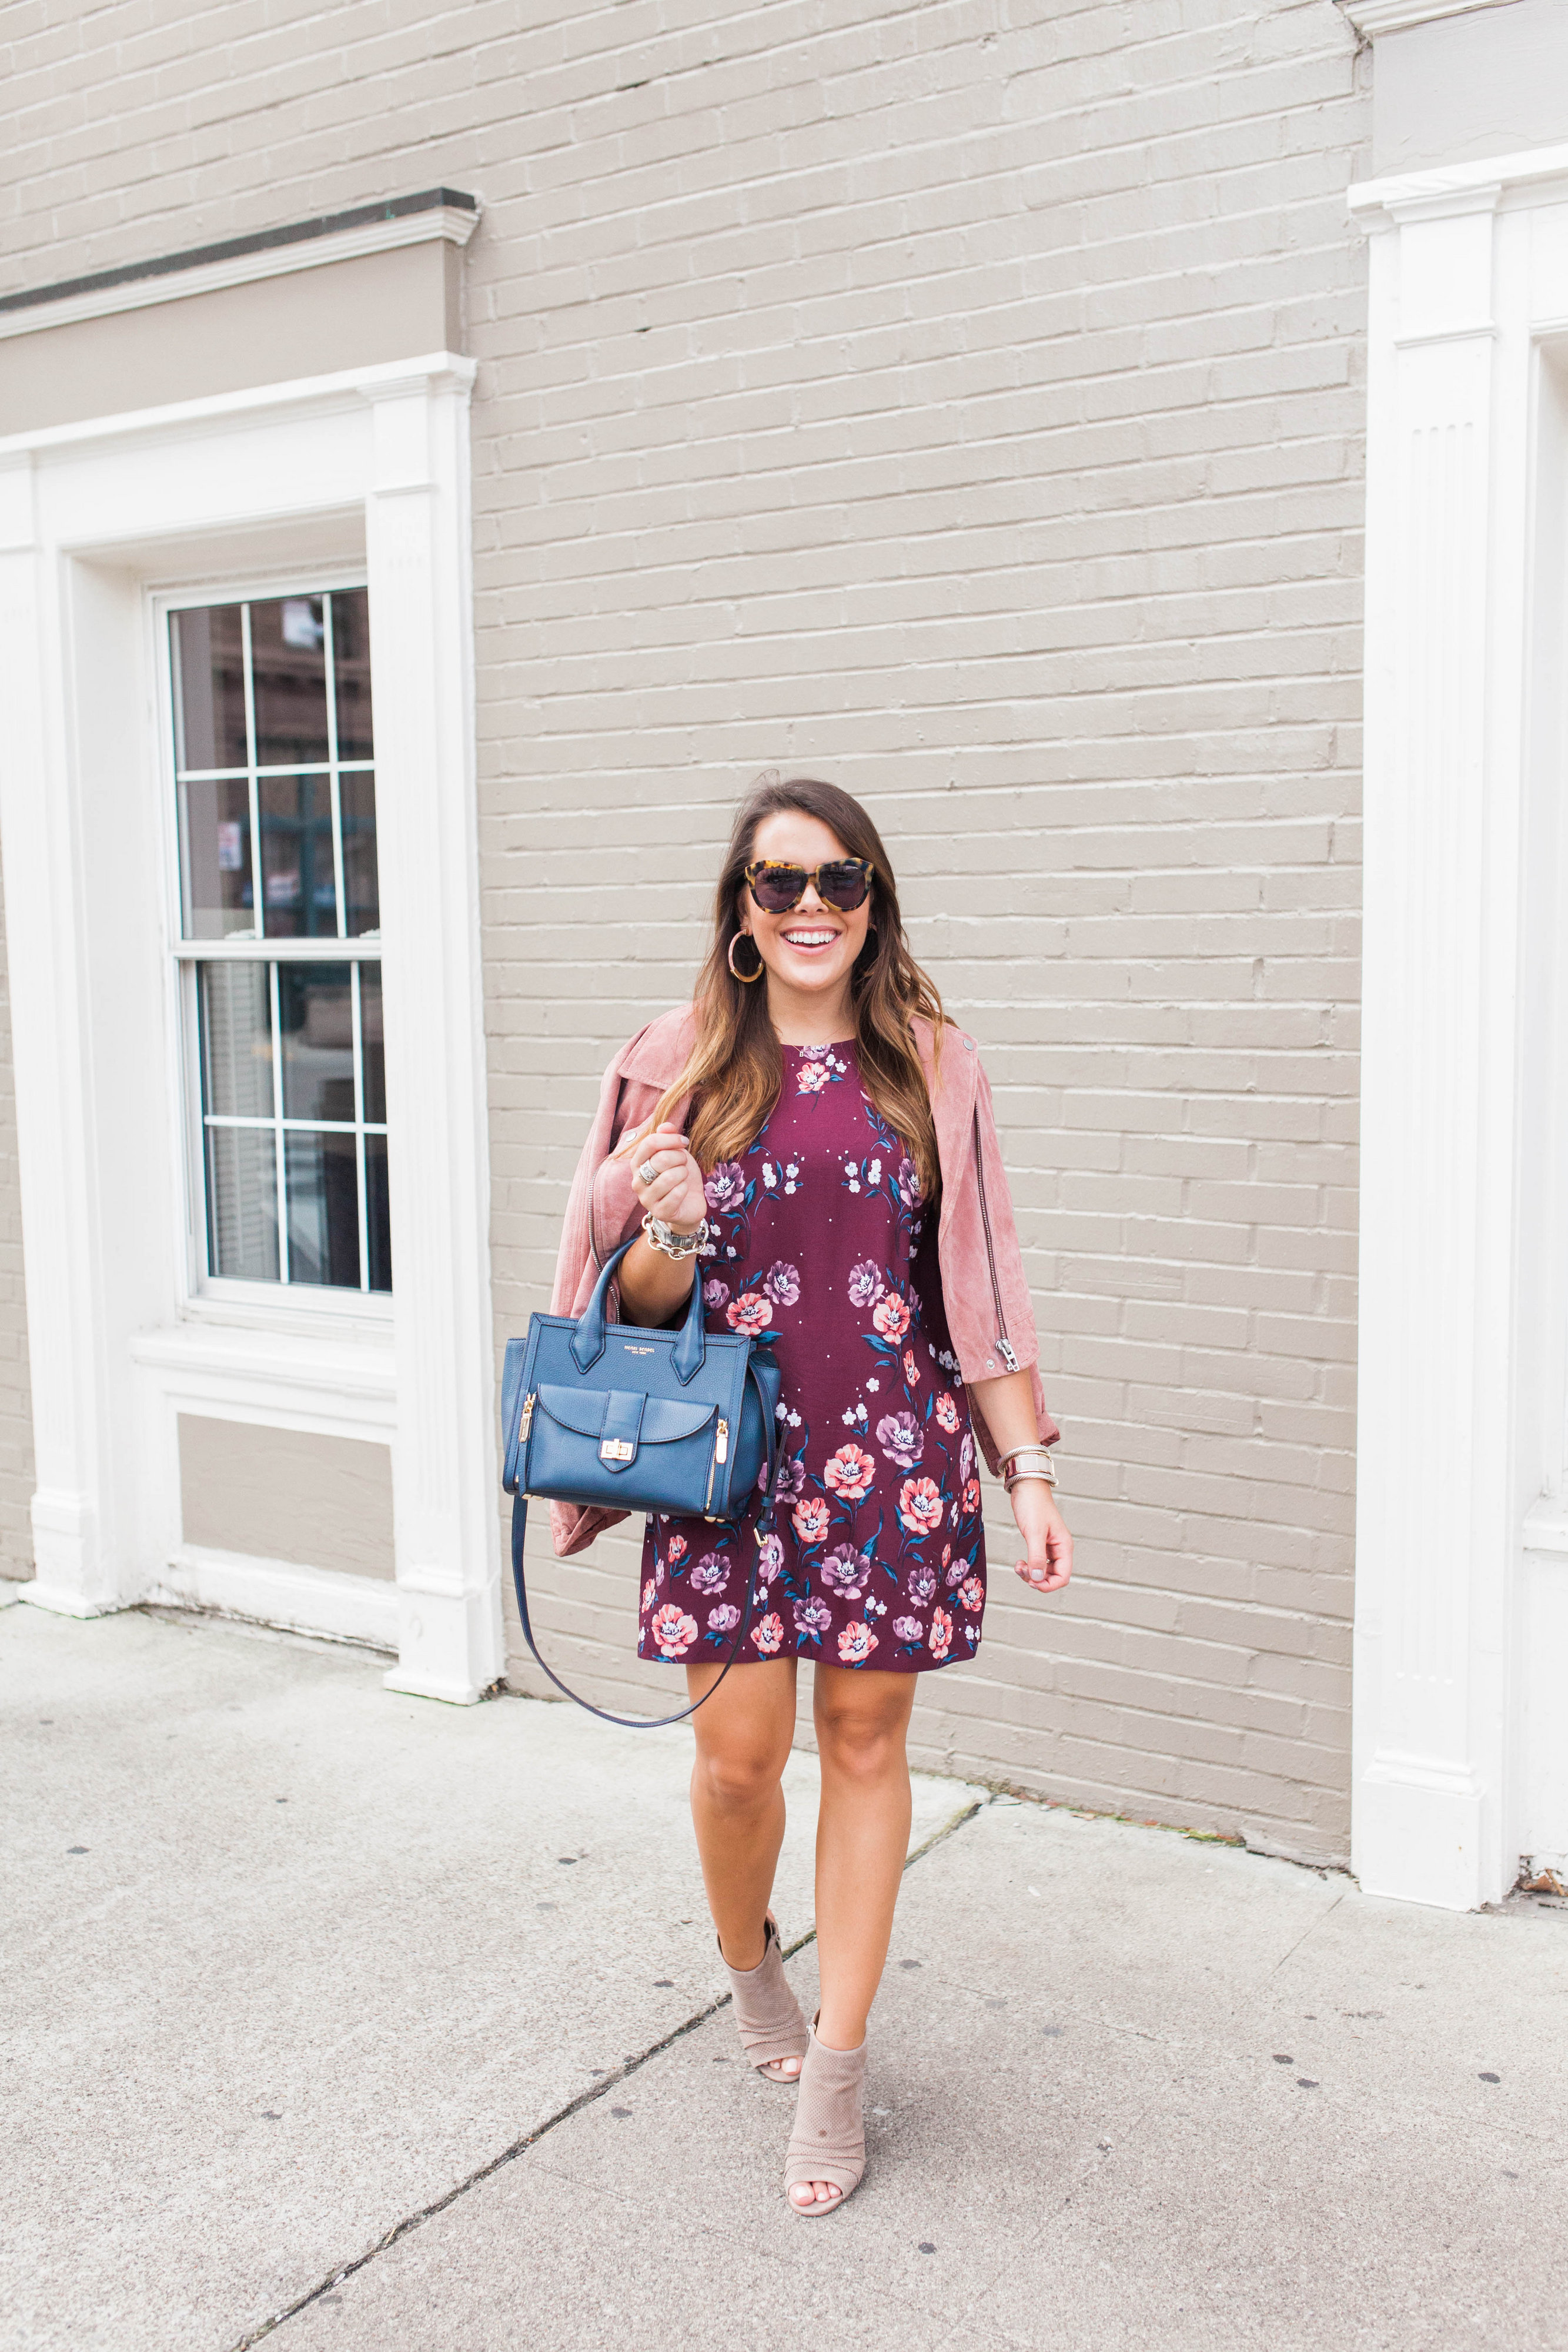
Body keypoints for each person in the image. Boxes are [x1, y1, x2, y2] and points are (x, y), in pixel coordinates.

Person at [550, 773, 1071, 2214]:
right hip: (726, 1467)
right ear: (738, 911)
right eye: (777, 883)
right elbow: (634, 1303)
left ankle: (837, 2068)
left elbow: (976, 1287)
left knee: (859, 1741)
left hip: (891, 1462)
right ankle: (745, 1966)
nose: (809, 907)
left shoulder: (929, 1061)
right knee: (732, 1760)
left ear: (872, 900)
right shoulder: (675, 1066)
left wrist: (1023, 1468)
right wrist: (664, 1219)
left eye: (838, 880)